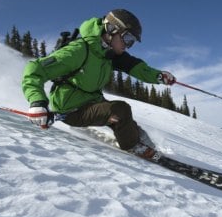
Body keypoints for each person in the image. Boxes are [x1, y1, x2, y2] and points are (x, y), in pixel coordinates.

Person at [22, 9, 176, 159]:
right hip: (71, 109)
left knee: (133, 128)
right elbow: (35, 69)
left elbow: (135, 67)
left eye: (132, 42)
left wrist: (159, 76)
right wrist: (37, 102)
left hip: (92, 103)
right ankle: (134, 148)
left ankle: (147, 148)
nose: (127, 46)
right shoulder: (79, 50)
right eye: (127, 39)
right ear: (111, 30)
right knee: (120, 110)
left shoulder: (109, 54)